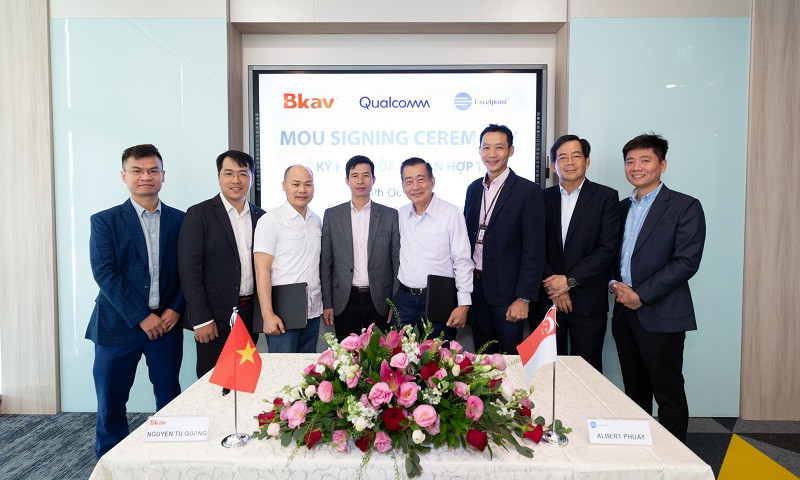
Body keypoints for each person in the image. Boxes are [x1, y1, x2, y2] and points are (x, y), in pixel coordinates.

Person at [86, 144, 184, 458]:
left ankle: (168, 459)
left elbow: (190, 272)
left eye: (153, 170)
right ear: (123, 176)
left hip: (166, 324)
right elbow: (105, 273)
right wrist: (142, 316)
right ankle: (111, 463)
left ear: (163, 175)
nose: (146, 177)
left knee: (169, 396)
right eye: (137, 171)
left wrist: (176, 308)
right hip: (117, 325)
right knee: (111, 402)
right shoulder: (105, 221)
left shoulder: (181, 220)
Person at [609, 133, 706, 443]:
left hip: (663, 313)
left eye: (645, 160)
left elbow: (686, 262)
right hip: (624, 312)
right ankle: (640, 452)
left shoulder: (684, 206)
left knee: (668, 391)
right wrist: (614, 284)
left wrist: (641, 294)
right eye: (630, 161)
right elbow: (610, 255)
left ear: (662, 165)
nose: (636, 167)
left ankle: (675, 455)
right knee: (634, 389)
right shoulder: (620, 208)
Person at [535, 134, 620, 372]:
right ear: (553, 165)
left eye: (576, 156)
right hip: (547, 300)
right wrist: (554, 286)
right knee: (548, 371)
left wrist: (569, 281)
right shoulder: (541, 198)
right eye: (562, 157)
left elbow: (607, 249)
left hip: (587, 300)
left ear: (587, 161)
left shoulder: (606, 197)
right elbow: (534, 246)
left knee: (587, 372)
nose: (570, 162)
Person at [178, 150, 265, 378]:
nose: (236, 180)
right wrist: (201, 319)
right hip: (214, 318)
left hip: (249, 314)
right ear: (219, 177)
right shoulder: (199, 214)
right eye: (229, 173)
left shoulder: (261, 217)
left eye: (243, 174)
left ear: (251, 178)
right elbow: (189, 271)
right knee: (212, 383)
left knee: (245, 380)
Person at [464, 124, 545, 354]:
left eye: (499, 148)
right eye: (486, 148)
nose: (492, 154)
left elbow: (534, 250)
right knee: (483, 358)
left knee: (511, 360)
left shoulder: (528, 191)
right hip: (477, 289)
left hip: (509, 295)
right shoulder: (473, 189)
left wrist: (524, 298)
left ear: (511, 150)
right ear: (479, 151)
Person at [321, 155, 400, 340]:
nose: (360, 181)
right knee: (347, 355)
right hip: (344, 299)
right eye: (355, 175)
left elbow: (396, 262)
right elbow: (326, 264)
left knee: (380, 354)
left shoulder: (390, 215)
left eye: (366, 175)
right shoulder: (332, 215)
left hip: (380, 299)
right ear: (347, 180)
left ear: (374, 179)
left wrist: (394, 304)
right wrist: (327, 303)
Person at [394, 157, 473, 341]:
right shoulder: (401, 214)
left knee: (438, 356)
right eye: (409, 181)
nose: (415, 186)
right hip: (404, 299)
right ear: (403, 186)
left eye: (421, 179)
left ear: (432, 181)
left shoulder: (451, 213)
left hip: (438, 299)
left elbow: (462, 260)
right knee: (400, 355)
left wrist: (463, 304)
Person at [254, 165, 321, 352]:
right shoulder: (270, 220)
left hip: (313, 312)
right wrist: (267, 315)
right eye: (296, 184)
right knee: (282, 369)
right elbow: (261, 269)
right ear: (284, 186)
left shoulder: (316, 220)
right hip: (283, 314)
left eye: (308, 184)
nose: (302, 190)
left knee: (308, 369)